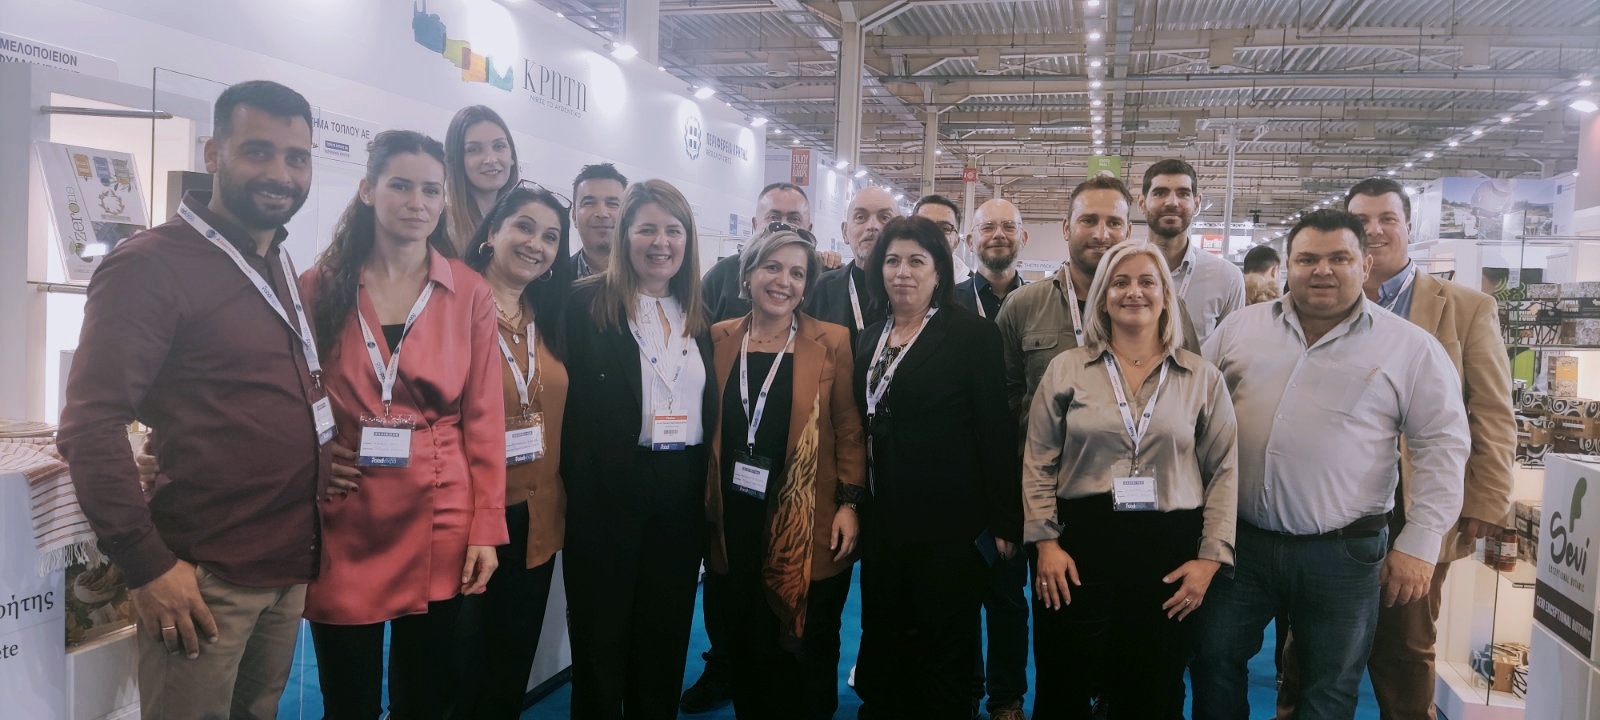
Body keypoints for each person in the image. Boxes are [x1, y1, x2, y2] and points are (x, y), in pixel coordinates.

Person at [59, 80, 327, 720]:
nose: (281, 174)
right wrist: (147, 566)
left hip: (284, 561)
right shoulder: (150, 265)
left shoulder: (275, 258)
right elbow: (90, 427)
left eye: (297, 157)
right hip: (203, 575)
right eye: (258, 151)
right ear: (213, 154)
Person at [1192, 208, 1469, 720]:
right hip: (1241, 544)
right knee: (1213, 661)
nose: (1322, 270)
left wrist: (1422, 541)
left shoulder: (1409, 347)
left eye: (1339, 258)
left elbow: (1442, 445)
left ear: (1365, 265)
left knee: (1330, 686)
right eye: (1307, 259)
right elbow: (1192, 407)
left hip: (1344, 552)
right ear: (1287, 266)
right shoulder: (1240, 329)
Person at [1275, 178, 1515, 720]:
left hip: (1417, 503)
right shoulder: (1314, 303)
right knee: (1306, 645)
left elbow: (1492, 410)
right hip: (1330, 510)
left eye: (1388, 218)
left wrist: (1485, 501)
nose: (1375, 230)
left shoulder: (1465, 307)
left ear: (1409, 227)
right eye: (1362, 220)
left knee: (1406, 646)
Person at [301, 129, 507, 719]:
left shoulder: (468, 291)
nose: (417, 202)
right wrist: (315, 456)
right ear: (367, 190)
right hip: (346, 506)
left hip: (442, 506)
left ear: (444, 200)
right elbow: (295, 393)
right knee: (349, 698)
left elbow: (484, 417)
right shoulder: (320, 285)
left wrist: (486, 528)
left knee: (425, 695)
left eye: (431, 190)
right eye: (400, 186)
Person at [1023, 240, 1238, 719]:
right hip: (1078, 544)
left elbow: (1224, 471)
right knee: (1065, 679)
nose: (1133, 292)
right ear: (1103, 297)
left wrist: (1210, 559)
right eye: (1120, 283)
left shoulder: (1201, 377)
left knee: (1152, 687)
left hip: (1168, 547)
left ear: (1166, 295)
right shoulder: (1067, 368)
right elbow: (1038, 460)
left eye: (1147, 282)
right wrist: (1045, 543)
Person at [851, 216, 1020, 719]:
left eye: (916, 261)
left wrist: (1005, 521)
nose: (902, 272)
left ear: (939, 271)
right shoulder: (870, 339)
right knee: (885, 631)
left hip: (949, 525)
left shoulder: (971, 335)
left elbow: (995, 430)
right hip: (884, 519)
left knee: (943, 644)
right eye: (892, 261)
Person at [562, 179, 718, 720]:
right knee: (600, 636)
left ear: (688, 239)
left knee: (665, 632)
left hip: (680, 492)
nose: (661, 243)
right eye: (646, 229)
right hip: (605, 491)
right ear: (624, 235)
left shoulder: (698, 312)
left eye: (673, 230)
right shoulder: (584, 305)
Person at [703, 225, 869, 719]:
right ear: (748, 274)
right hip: (734, 516)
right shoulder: (718, 338)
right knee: (744, 635)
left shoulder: (831, 340)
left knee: (806, 648)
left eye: (797, 273)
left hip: (808, 518)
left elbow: (849, 427)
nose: (784, 282)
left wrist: (850, 502)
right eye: (772, 268)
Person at [455, 184, 575, 719]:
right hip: (465, 518)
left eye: (550, 237)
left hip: (535, 515)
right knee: (455, 670)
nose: (536, 244)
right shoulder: (452, 304)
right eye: (524, 227)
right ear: (492, 233)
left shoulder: (547, 315)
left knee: (509, 666)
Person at [996, 176, 1201, 431]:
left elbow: (1192, 391)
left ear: (1127, 232)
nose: (1101, 234)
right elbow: (1002, 398)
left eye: (1113, 223)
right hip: (1048, 453)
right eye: (1088, 220)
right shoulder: (1023, 305)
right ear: (1066, 228)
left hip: (1142, 453)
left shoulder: (1166, 308)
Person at [1138, 159, 1245, 344]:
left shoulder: (1227, 278)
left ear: (1197, 203)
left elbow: (1230, 350)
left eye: (1183, 194)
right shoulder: (1118, 270)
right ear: (1142, 203)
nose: (1172, 202)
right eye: (1160, 193)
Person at [699, 182, 814, 325]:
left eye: (794, 219)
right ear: (755, 225)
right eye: (773, 217)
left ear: (809, 229)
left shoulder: (821, 281)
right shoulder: (722, 274)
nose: (784, 226)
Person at [807, 186, 899, 346]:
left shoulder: (914, 291)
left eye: (884, 218)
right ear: (845, 232)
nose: (872, 226)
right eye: (861, 217)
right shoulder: (818, 289)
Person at [444, 105, 521, 257]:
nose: (491, 159)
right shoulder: (440, 227)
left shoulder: (522, 224)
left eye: (499, 146)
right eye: (474, 149)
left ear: (512, 156)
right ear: (457, 160)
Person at [953, 198, 1029, 320]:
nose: (999, 234)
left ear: (1023, 239)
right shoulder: (948, 303)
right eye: (987, 227)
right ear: (971, 242)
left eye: (1009, 226)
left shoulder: (1041, 305)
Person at [570, 162, 629, 278]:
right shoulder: (551, 279)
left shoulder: (651, 276)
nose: (602, 213)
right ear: (574, 216)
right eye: (589, 203)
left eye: (612, 203)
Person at [913, 194, 971, 280]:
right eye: (923, 226)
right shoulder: (894, 280)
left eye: (945, 228)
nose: (933, 234)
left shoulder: (972, 287)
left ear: (956, 242)